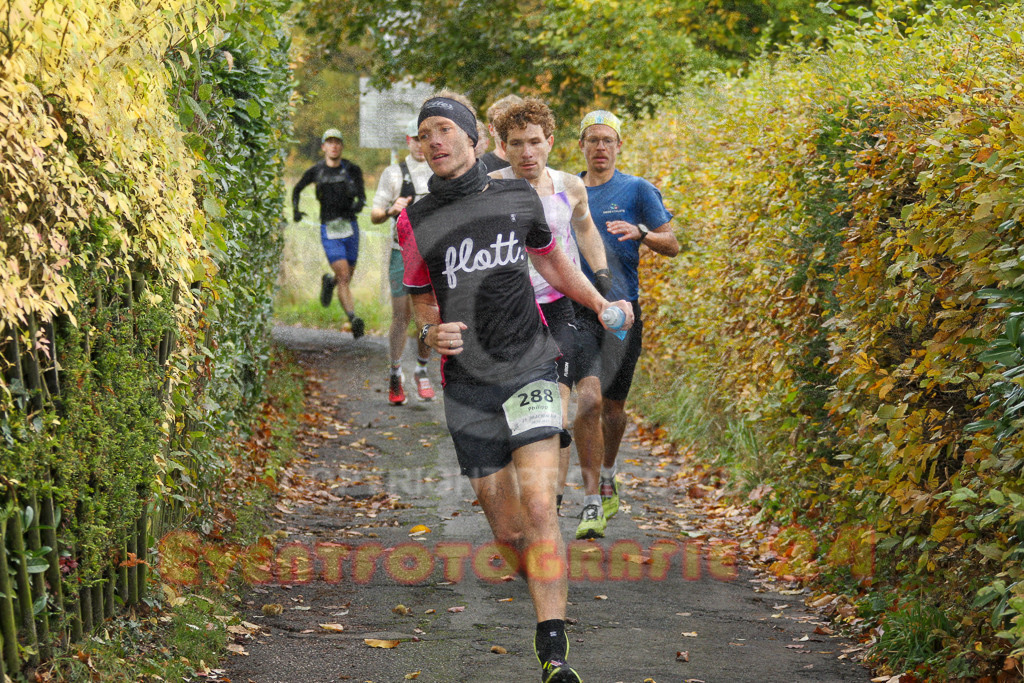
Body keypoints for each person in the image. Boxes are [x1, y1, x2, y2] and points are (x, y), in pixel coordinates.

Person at [399, 94, 633, 683]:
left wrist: (601, 301)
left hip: (530, 366)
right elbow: (421, 299)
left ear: (475, 139)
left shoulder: (516, 195)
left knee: (538, 506)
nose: (436, 141)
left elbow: (554, 264)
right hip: (468, 386)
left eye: (446, 129)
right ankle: (547, 589)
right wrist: (432, 332)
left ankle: (553, 651)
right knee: (507, 532)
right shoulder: (416, 218)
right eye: (426, 133)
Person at [488, 98, 613, 516]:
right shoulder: (490, 186)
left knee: (558, 409)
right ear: (503, 147)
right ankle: (527, 492)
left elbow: (586, 229)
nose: (527, 152)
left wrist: (602, 281)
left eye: (535, 142)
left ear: (551, 142)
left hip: (560, 306)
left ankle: (550, 506)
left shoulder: (570, 187)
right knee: (514, 414)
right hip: (509, 313)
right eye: (517, 143)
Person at [571, 110, 680, 540]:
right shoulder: (569, 189)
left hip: (622, 312)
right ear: (581, 145)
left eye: (607, 140)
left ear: (619, 146)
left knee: (613, 409)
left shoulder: (637, 190)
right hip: (577, 309)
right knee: (588, 403)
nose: (600, 147)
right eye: (592, 139)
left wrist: (641, 233)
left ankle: (610, 473)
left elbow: (672, 244)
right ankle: (592, 499)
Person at [370, 119, 435, 405]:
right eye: (415, 138)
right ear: (407, 140)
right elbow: (374, 214)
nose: (420, 145)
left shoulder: (440, 169)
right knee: (401, 315)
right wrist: (390, 209)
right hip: (401, 252)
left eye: (425, 138)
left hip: (432, 254)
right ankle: (396, 373)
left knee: (427, 316)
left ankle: (422, 370)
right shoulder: (394, 173)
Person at [292, 128, 367, 338]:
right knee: (344, 276)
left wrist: (359, 206)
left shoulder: (352, 170)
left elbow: (362, 197)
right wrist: (296, 210)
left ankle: (329, 282)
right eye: (330, 142)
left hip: (350, 227)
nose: (334, 146)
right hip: (329, 228)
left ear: (341, 146)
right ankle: (354, 319)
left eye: (337, 142)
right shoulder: (316, 171)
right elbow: (297, 188)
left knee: (346, 276)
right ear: (323, 146)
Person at [477, 94, 522, 173]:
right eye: (501, 123)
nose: (509, 128)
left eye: (516, 122)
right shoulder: (479, 167)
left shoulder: (535, 163)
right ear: (491, 129)